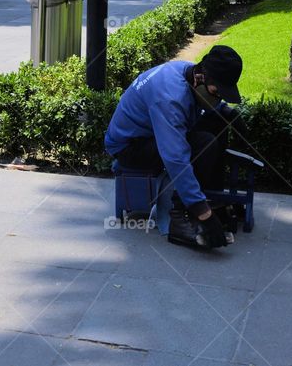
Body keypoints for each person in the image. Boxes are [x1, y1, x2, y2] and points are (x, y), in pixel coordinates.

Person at [104, 45, 246, 248]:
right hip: (130, 147)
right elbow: (175, 158)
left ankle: (212, 195)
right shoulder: (169, 99)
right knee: (203, 144)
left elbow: (207, 105)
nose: (218, 98)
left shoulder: (190, 70)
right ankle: (180, 217)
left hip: (150, 132)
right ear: (201, 78)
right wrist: (203, 213)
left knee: (217, 121)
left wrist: (226, 111)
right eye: (217, 93)